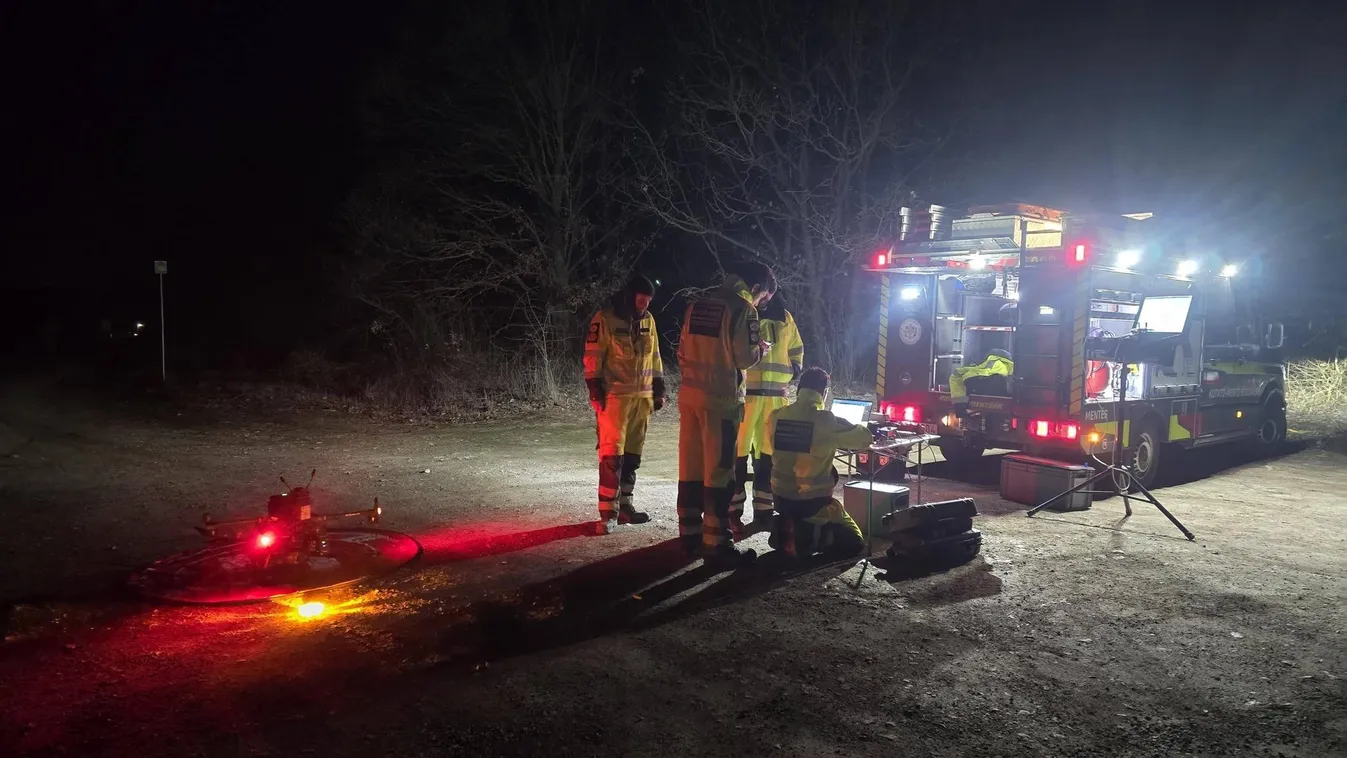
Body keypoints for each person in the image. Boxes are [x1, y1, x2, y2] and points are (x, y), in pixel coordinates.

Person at [676, 261, 775, 569]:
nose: (760, 304)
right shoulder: (743, 309)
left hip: (690, 397)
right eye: (763, 298)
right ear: (756, 289)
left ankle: (690, 535)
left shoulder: (698, 305)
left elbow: (681, 351)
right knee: (719, 472)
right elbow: (744, 358)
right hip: (720, 401)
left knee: (690, 467)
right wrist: (760, 348)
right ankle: (717, 544)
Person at [584, 274, 666, 534]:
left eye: (649, 300)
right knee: (612, 454)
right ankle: (607, 513)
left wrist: (659, 389)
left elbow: (655, 357)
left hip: (642, 399)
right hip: (614, 398)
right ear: (631, 295)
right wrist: (595, 390)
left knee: (632, 455)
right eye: (642, 299)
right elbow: (593, 355)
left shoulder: (648, 321)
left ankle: (625, 507)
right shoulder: (606, 318)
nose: (645, 304)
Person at [767, 367, 873, 560]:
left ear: (799, 390)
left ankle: (786, 528)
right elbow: (865, 438)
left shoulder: (776, 416)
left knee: (827, 469)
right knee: (855, 541)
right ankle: (808, 537)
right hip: (812, 504)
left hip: (780, 499)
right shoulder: (826, 420)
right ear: (824, 393)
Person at [731, 293, 804, 535]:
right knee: (737, 456)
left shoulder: (785, 318)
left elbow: (796, 348)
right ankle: (732, 513)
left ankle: (763, 512)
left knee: (768, 459)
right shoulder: (743, 314)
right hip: (747, 396)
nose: (764, 298)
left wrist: (795, 368)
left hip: (775, 400)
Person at [949, 348, 1013, 417]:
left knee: (957, 376)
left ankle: (961, 408)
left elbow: (959, 376)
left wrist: (960, 408)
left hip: (980, 388)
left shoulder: (993, 363)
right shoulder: (1007, 368)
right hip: (998, 398)